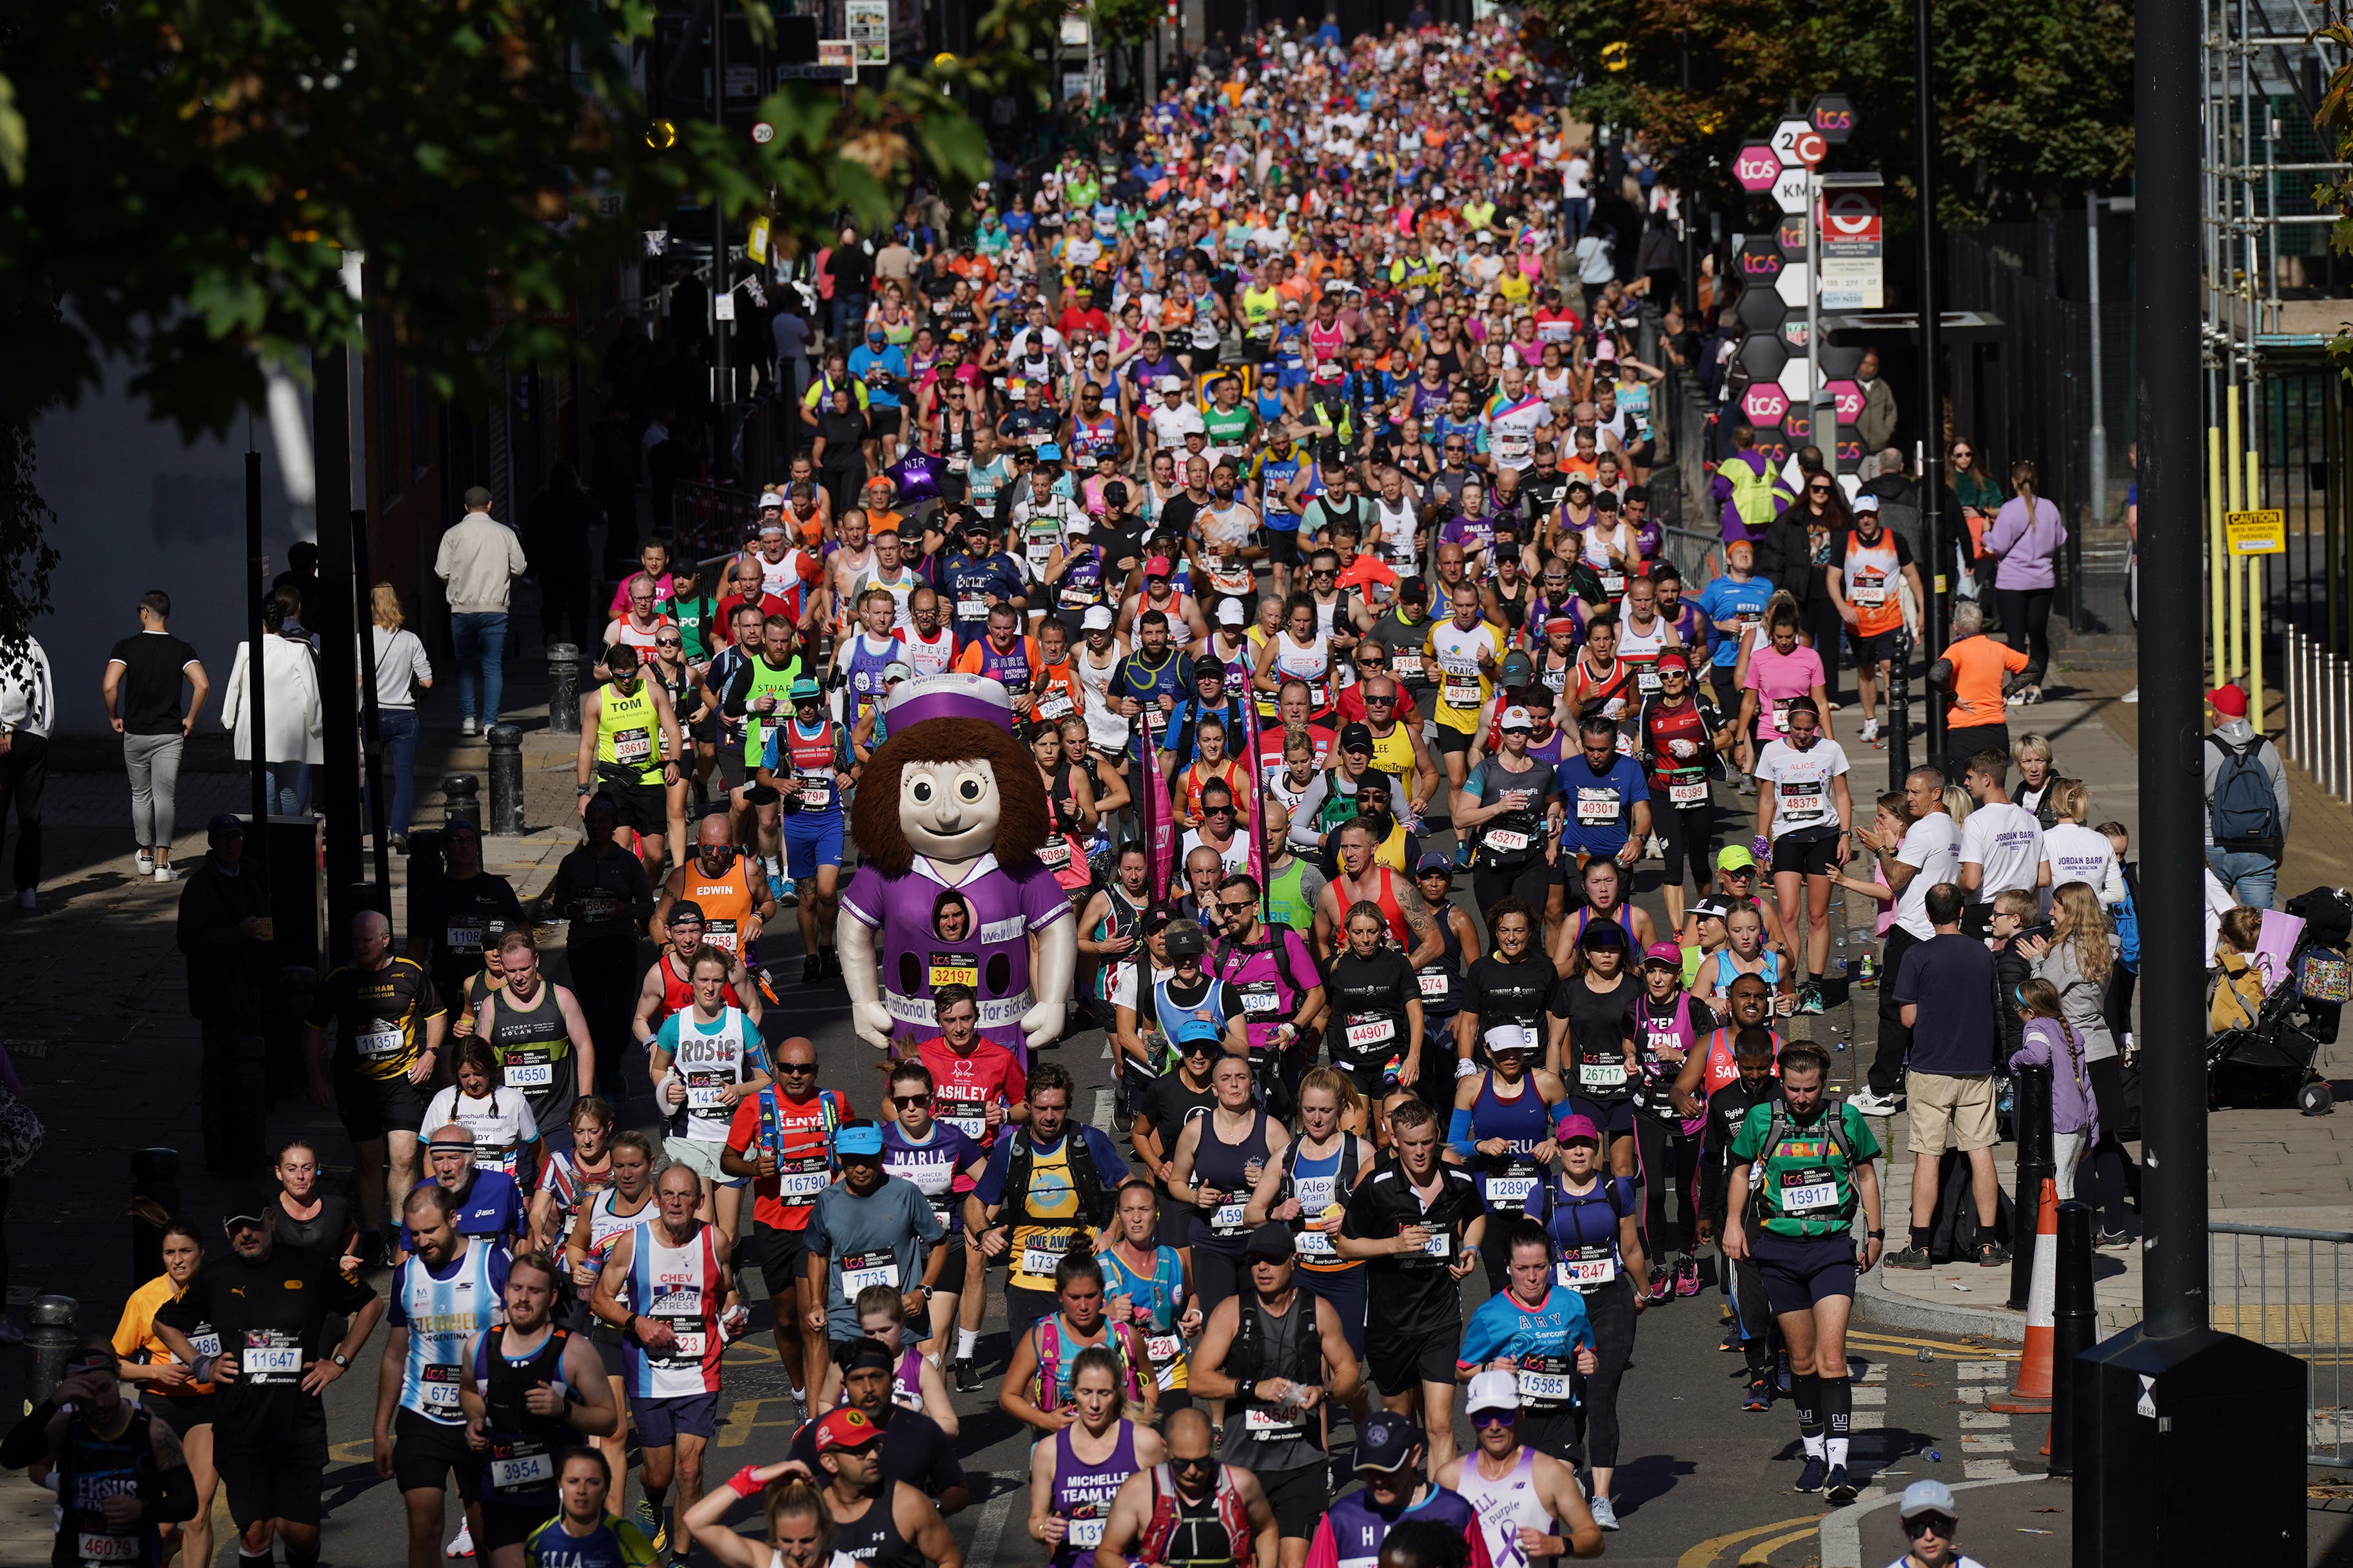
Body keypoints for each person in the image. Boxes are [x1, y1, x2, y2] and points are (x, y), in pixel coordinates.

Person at [150, 1190, 385, 1568]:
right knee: (256, 1532)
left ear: (271, 1221)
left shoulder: (311, 1266)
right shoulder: (215, 1276)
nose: (247, 1233)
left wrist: (339, 1361)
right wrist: (201, 1364)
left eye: (254, 1224)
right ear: (227, 1235)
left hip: (299, 1424)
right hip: (241, 1426)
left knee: (301, 1534)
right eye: (237, 1228)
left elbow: (371, 1303)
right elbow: (163, 1321)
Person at [1723, 1043, 1885, 1505]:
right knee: (1801, 1363)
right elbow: (1738, 1171)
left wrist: (1876, 1231)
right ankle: (1813, 1454)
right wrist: (1734, 1222)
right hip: (1779, 1250)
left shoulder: (1844, 1118)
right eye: (1793, 1088)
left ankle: (1839, 1464)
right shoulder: (1762, 1119)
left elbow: (1867, 1173)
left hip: (1832, 1247)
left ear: (1825, 1081)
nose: (1800, 1097)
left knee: (1832, 1359)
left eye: (1810, 1088)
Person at [589, 1163, 743, 1562]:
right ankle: (651, 1501)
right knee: (658, 1474)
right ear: (656, 1200)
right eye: (669, 1195)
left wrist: (735, 1311)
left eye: (685, 1195)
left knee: (689, 1470)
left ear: (700, 1201)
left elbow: (727, 1290)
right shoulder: (633, 1243)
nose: (676, 1203)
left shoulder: (716, 1241)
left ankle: (680, 1557)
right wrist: (636, 1322)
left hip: (700, 1372)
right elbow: (600, 1299)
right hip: (648, 1374)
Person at [1189, 1225, 1363, 1567]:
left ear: (1293, 1261)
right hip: (1245, 1467)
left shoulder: (1319, 1311)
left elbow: (1349, 1374)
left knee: (1293, 1563)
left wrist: (1324, 1391)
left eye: (1272, 1259)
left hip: (1302, 1465)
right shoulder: (1231, 1311)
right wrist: (1252, 1388)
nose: (1263, 1268)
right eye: (1255, 1260)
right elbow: (1197, 1380)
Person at [1338, 1098, 1486, 1473]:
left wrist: (1470, 1249)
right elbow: (1344, 1245)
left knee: (1439, 1425)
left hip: (1439, 1317)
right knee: (1401, 1425)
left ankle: (1439, 1515)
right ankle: (1404, 1511)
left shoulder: (1459, 1182)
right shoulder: (1376, 1187)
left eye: (1426, 1142)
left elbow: (1476, 1216)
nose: (1420, 1152)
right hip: (1389, 1324)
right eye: (1410, 1143)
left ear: (1437, 1136)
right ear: (1394, 1141)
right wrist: (1393, 1245)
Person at [457, 1250, 621, 1568]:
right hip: (503, 1491)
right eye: (517, 1288)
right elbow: (468, 1390)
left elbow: (608, 1419)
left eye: (534, 1291)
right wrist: (476, 1419)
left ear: (552, 1297)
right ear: (505, 1291)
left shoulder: (574, 1350)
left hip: (562, 1497)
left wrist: (564, 1410)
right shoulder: (479, 1346)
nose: (523, 1298)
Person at [304, 907, 447, 1264]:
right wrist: (315, 1076)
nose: (360, 946)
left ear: (385, 941)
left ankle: (400, 1231)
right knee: (368, 1161)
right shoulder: (339, 979)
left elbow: (437, 1013)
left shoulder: (409, 973)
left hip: (403, 1080)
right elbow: (313, 1027)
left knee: (402, 1156)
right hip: (357, 1083)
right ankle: (370, 1233)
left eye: (367, 940)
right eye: (355, 940)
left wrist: (430, 1053)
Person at [377, 1185, 507, 1568]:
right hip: (422, 1415)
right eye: (415, 1234)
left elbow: (527, 1339)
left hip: (483, 1416)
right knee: (424, 1528)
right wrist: (381, 1429)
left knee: (487, 1534)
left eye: (430, 1231)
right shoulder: (407, 1274)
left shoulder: (493, 1262)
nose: (422, 1241)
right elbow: (394, 1354)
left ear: (453, 1219)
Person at [1882, 884, 2007, 1269]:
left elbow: (1907, 1018)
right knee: (1981, 1152)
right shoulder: (1982, 954)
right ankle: (1988, 1244)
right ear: (1962, 912)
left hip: (1930, 1069)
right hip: (1976, 1068)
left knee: (1928, 1156)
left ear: (1926, 911)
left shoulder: (1917, 955)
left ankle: (1919, 1247)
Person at [0, 1339, 199, 1567]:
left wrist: (142, 1509)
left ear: (117, 1379)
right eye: (88, 1393)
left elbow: (188, 1503)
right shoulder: (66, 1425)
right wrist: (53, 1402)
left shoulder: (152, 1430)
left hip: (135, 1556)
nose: (99, 1403)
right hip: (76, 1555)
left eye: (104, 1389)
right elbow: (10, 1457)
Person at [971, 1062, 1134, 1340]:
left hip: (1082, 1278)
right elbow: (974, 1204)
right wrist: (983, 1231)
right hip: (1027, 1281)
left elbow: (1133, 1190)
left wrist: (1111, 1234)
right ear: (1027, 1106)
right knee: (1031, 1371)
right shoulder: (1009, 1151)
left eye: (1057, 1108)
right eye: (1041, 1108)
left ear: (1069, 1105)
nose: (1049, 1116)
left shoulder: (1089, 1141)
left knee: (1082, 1370)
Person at [1848, 768, 1962, 1119]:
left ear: (1937, 794)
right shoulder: (1952, 828)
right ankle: (1922, 1082)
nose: (1910, 799)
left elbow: (1895, 879)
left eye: (1916, 793)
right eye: (1908, 792)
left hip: (1912, 931)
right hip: (1939, 932)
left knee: (1893, 1010)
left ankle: (1881, 1091)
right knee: (1927, 1013)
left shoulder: (1925, 829)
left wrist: (1881, 848)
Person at [108, 1218, 221, 1568]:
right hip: (160, 1409)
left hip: (209, 1408)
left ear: (202, 1251)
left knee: (198, 1514)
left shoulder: (223, 1288)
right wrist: (155, 1371)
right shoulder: (144, 1300)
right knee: (161, 1525)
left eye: (186, 1251)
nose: (178, 1260)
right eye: (169, 1253)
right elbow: (113, 1363)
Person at [177, 813, 278, 1174]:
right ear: (212, 843)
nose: (232, 844)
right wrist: (238, 932)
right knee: (218, 1079)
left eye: (236, 838)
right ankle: (219, 1154)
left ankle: (249, 1146)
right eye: (225, 839)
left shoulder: (248, 874)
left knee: (251, 1074)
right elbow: (188, 940)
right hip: (218, 996)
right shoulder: (201, 886)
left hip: (250, 988)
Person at [539, 796, 656, 1105]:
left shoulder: (628, 863)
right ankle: (606, 1078)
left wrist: (625, 910)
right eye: (591, 821)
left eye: (603, 821)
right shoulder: (572, 863)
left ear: (615, 825)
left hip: (621, 946)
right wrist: (571, 910)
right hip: (584, 947)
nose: (596, 826)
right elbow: (557, 906)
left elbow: (647, 904)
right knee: (593, 1015)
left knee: (619, 1020)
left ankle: (611, 1065)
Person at [802, 1121, 947, 1364]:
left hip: (897, 1322)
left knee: (898, 1400)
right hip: (846, 1323)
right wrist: (816, 1303)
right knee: (852, 1398)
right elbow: (817, 1253)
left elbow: (940, 1244)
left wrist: (923, 1291)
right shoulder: (828, 1200)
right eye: (851, 1160)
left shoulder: (906, 1193)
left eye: (868, 1159)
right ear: (839, 1157)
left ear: (882, 1154)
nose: (860, 1168)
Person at [649, 945, 772, 1233]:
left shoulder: (741, 1025)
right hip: (688, 1138)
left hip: (732, 1140)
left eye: (717, 981)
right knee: (703, 1229)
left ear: (726, 982)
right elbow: (657, 1068)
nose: (709, 988)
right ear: (691, 980)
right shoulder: (674, 1026)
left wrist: (740, 1090)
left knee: (727, 1237)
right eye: (703, 980)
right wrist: (667, 1087)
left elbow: (766, 1078)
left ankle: (731, 1274)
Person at [1435, 1366, 1603, 1561]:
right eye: (1484, 1418)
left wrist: (1558, 1544)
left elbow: (1594, 1539)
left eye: (1504, 1416)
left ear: (1520, 1413)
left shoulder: (1549, 1473)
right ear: (1471, 1419)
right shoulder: (1450, 1478)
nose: (1495, 1427)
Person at [1752, 695, 1852, 1009]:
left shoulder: (1831, 749)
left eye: (1808, 730)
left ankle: (1816, 988)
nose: (1802, 735)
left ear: (1817, 726)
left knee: (1818, 915)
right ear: (1788, 725)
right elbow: (1767, 801)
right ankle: (1789, 985)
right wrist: (1761, 844)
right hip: (1787, 838)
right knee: (1788, 915)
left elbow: (1843, 795)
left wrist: (1846, 835)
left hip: (1824, 835)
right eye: (1796, 729)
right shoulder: (1772, 751)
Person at [1028, 1345, 1168, 1568]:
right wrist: (1045, 1529)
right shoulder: (1049, 1451)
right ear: (1073, 1390)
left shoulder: (1145, 1443)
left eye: (1104, 1393)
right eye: (1086, 1392)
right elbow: (1036, 1519)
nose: (1094, 1404)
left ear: (1118, 1393)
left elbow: (1167, 1514)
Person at [104, 589, 211, 881]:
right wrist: (190, 717)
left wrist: (114, 716)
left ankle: (145, 856)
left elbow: (109, 685)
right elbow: (202, 684)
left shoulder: (125, 647)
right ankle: (164, 864)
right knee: (166, 797)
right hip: (169, 732)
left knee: (140, 795)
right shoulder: (182, 649)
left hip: (136, 731)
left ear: (144, 613)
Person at [1299, 1411, 1492, 1568]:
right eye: (1370, 1470)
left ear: (1415, 1456)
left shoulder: (1455, 1513)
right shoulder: (1341, 1518)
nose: (1378, 1480)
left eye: (1389, 1468)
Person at [1093, 1406, 1279, 1568]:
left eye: (1202, 1462)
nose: (1192, 1471)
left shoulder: (1241, 1484)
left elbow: (1267, 1529)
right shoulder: (1139, 1490)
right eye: (1181, 1463)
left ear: (1213, 1449)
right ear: (1166, 1449)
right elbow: (1105, 1555)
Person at [997, 1252, 1157, 1437]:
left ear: (1102, 1292)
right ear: (1059, 1294)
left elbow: (1150, 1382)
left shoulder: (1126, 1336)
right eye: (1074, 1297)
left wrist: (1142, 1425)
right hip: (1059, 1448)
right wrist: (1045, 1420)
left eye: (1091, 1296)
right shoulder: (1042, 1337)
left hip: (1119, 1446)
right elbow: (1008, 1396)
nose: (1083, 1306)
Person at [576, 641, 684, 882]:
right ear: (611, 672)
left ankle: (641, 893)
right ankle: (627, 900)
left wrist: (674, 761)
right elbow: (586, 747)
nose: (627, 680)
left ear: (638, 668)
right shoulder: (597, 700)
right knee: (621, 848)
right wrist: (583, 791)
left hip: (649, 778)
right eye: (620, 676)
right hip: (613, 781)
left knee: (655, 856)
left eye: (631, 674)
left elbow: (674, 730)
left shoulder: (653, 692)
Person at [408, 818, 528, 1021]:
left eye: (471, 841)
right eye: (458, 840)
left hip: (494, 987)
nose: (465, 846)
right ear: (444, 848)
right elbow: (416, 949)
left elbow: (523, 932)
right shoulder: (430, 894)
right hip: (447, 991)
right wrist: (408, 989)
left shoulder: (497, 888)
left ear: (478, 849)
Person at [435, 486, 531, 734]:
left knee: (464, 665)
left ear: (466, 507)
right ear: (490, 505)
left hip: (462, 608)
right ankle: (490, 722)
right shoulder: (504, 533)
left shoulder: (453, 534)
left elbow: (441, 571)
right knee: (492, 666)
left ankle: (468, 719)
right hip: (495, 609)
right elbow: (520, 567)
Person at [221, 594, 323, 819]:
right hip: (291, 732)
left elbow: (233, 687)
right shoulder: (298, 651)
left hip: (257, 730)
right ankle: (291, 841)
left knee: (263, 793)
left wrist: (229, 718)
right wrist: (316, 723)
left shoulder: (246, 649)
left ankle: (264, 842)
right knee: (289, 793)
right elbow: (312, 691)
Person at [1982, 460, 2065, 700]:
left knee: (2016, 637)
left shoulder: (2009, 510)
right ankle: (2037, 686)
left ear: (2013, 482)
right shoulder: (2050, 508)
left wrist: (1987, 530)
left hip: (2012, 582)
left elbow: (1997, 545)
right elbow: (2059, 539)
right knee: (2038, 634)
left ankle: (2018, 689)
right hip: (2042, 580)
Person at [2203, 681, 2290, 909]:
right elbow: (2283, 806)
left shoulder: (2204, 749)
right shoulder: (2267, 748)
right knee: (2258, 924)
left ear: (2217, 715)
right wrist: (2277, 847)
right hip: (2260, 848)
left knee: (2212, 920)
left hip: (2214, 847)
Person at [367, 583, 434, 849]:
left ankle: (375, 831)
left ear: (372, 607)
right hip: (404, 717)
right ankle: (399, 831)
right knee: (404, 777)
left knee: (373, 776)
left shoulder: (362, 640)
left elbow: (359, 681)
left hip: (373, 715)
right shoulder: (410, 640)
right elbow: (427, 681)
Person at [1929, 602, 2027, 782]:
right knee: (1995, 793)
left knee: (1969, 794)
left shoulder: (1956, 651)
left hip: (1965, 733)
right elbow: (2031, 668)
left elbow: (1936, 675)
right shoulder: (1998, 649)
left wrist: (1954, 697)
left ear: (1955, 627)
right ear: (1981, 625)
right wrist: (2006, 693)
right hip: (1996, 732)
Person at [1957, 750, 2049, 925]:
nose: (1966, 783)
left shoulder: (1976, 821)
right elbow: (2044, 877)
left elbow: (1970, 882)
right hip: (2024, 911)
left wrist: (1955, 885)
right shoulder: (2031, 820)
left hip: (1988, 912)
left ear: (1986, 779)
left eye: (1970, 777)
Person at [522, 1449, 661, 1567]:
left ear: (606, 1488)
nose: (581, 1490)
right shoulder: (538, 1541)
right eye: (573, 1481)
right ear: (560, 1485)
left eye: (593, 1482)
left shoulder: (626, 1537)